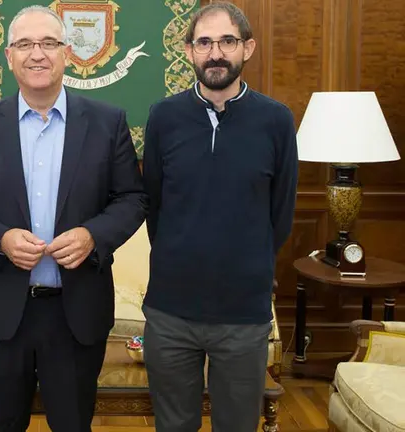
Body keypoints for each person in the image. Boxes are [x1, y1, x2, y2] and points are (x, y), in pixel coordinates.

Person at [0, 5, 146, 432]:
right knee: (0, 422)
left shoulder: (107, 123)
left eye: (49, 43)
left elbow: (131, 198)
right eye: (25, 44)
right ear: (8, 56)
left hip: (76, 312)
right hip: (0, 311)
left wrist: (93, 235)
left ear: (67, 53)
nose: (38, 54)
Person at [141, 3, 298, 431]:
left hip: (243, 315)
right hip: (171, 312)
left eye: (227, 41)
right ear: (189, 50)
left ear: (247, 48)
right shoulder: (163, 118)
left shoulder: (276, 121)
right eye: (204, 42)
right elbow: (154, 205)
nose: (215, 53)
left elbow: (280, 214)